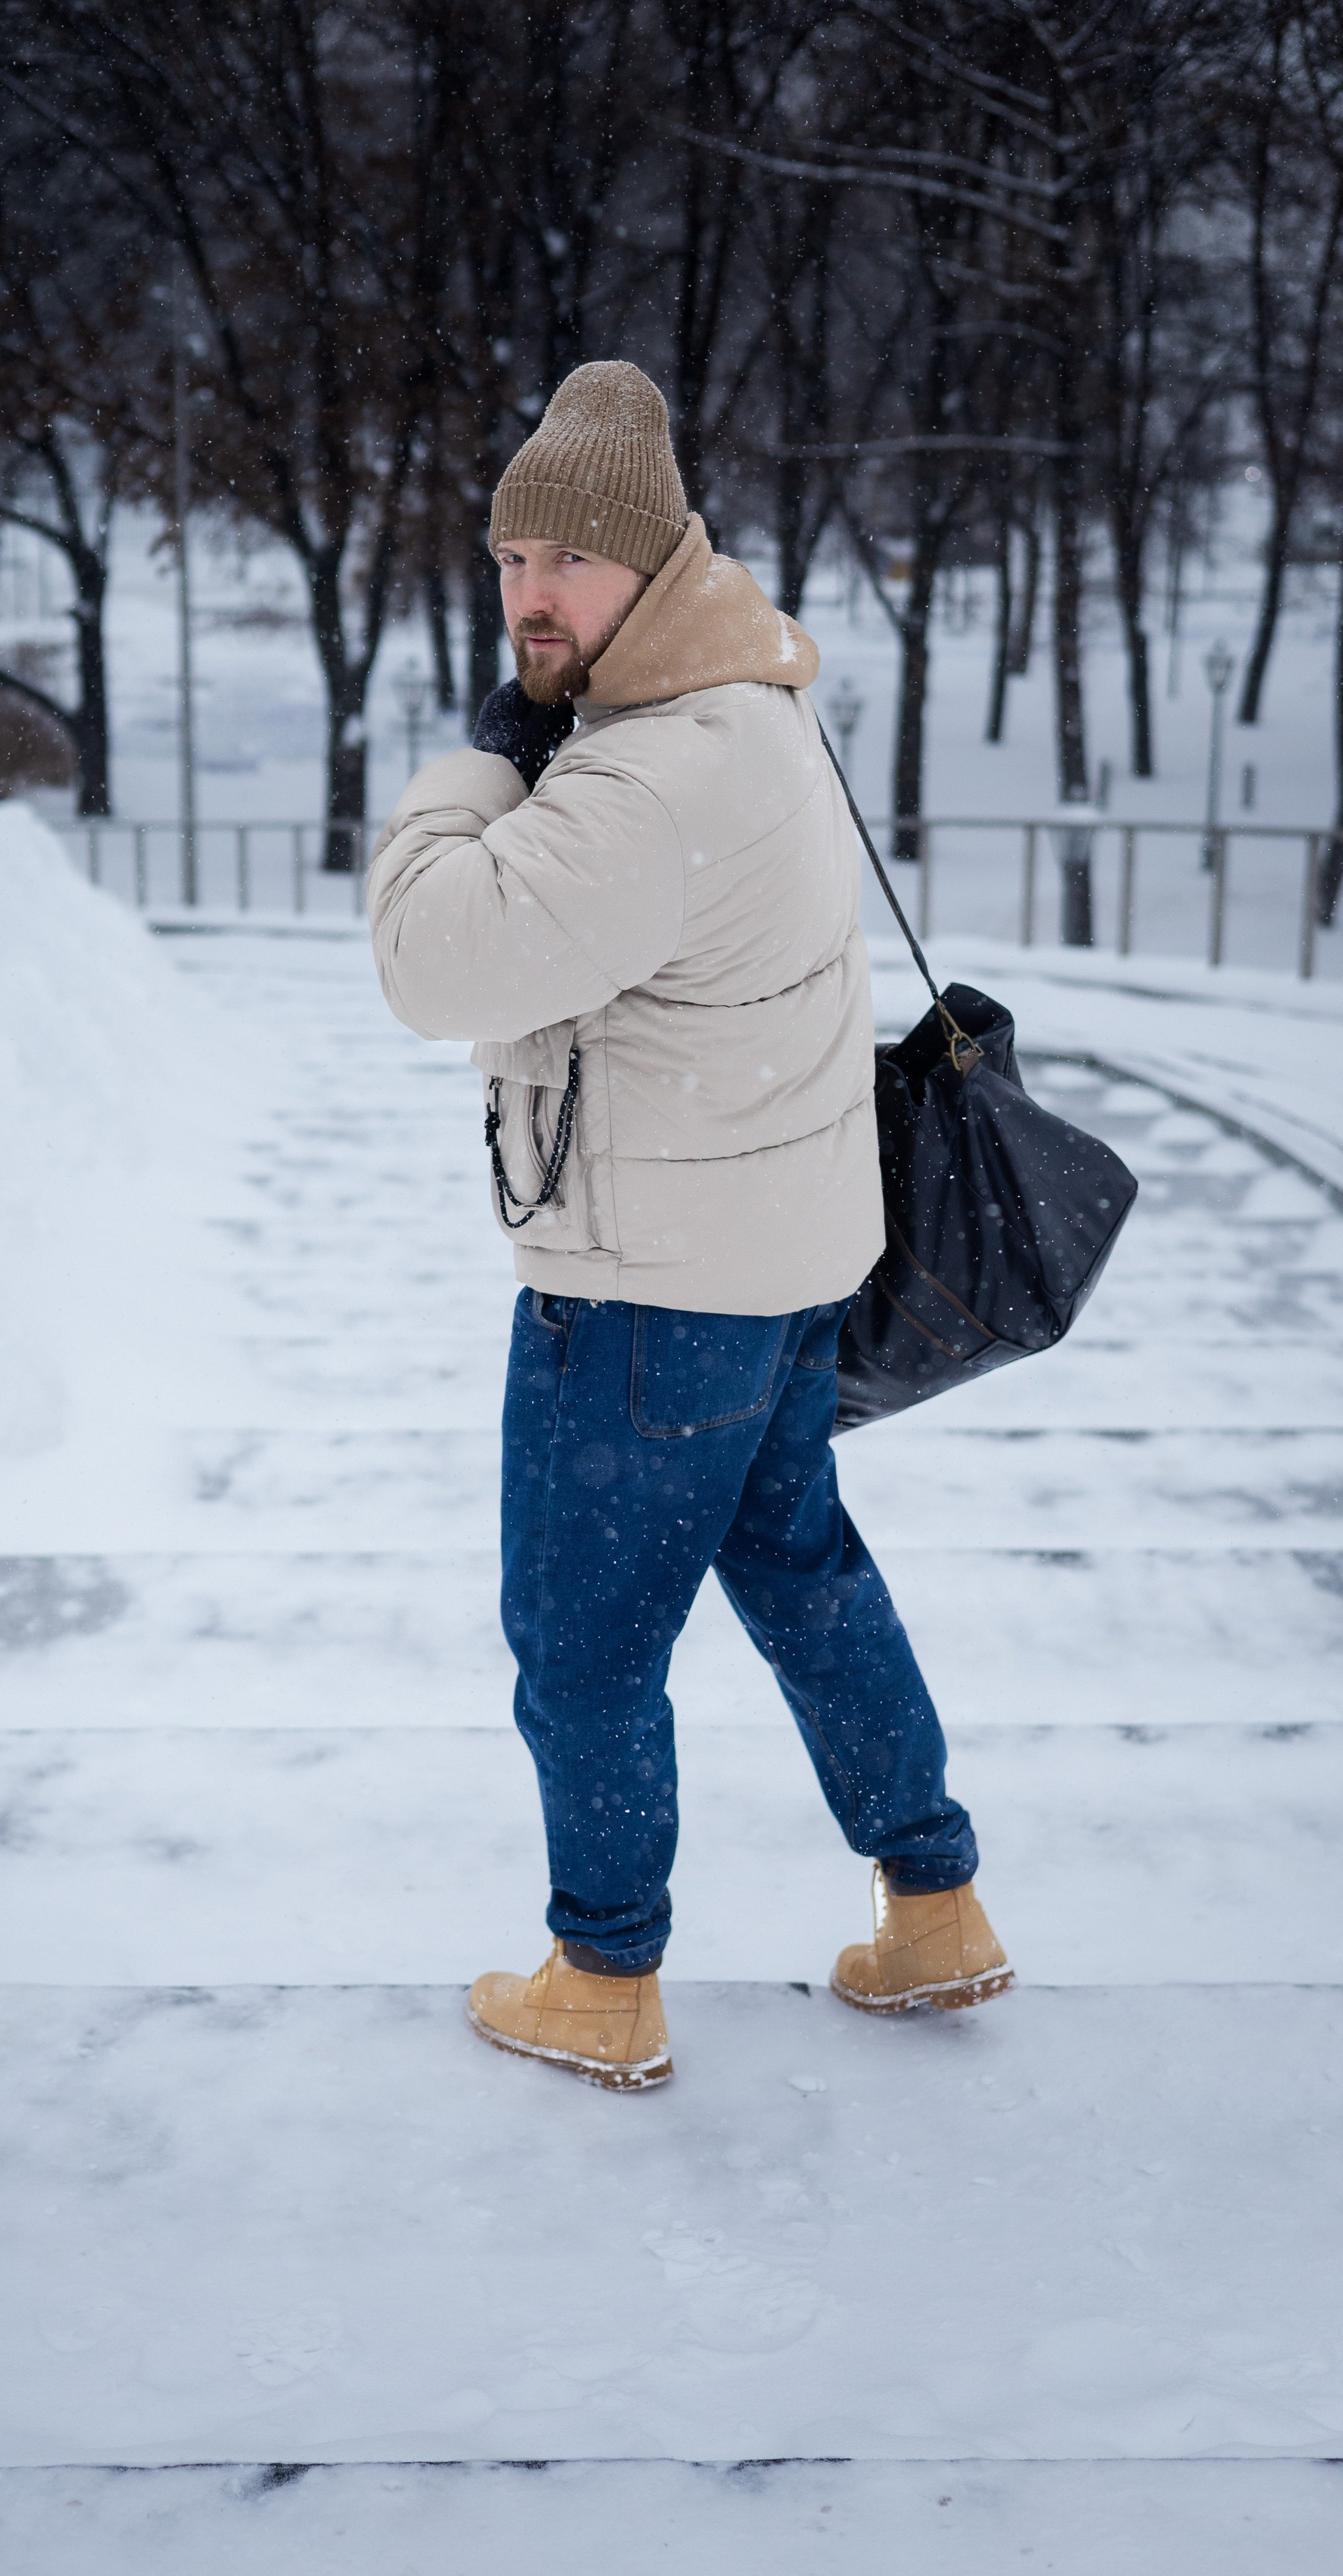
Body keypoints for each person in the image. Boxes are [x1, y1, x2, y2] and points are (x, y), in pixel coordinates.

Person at [367, 361, 1010, 2092]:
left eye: (564, 562)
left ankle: (601, 1974)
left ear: (651, 567)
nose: (527, 597)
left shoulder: (646, 776)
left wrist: (464, 778)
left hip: (649, 1295)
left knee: (581, 1646)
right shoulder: (750, 705)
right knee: (806, 1582)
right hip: (777, 1262)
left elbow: (435, 960)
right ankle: (933, 1906)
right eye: (507, 560)